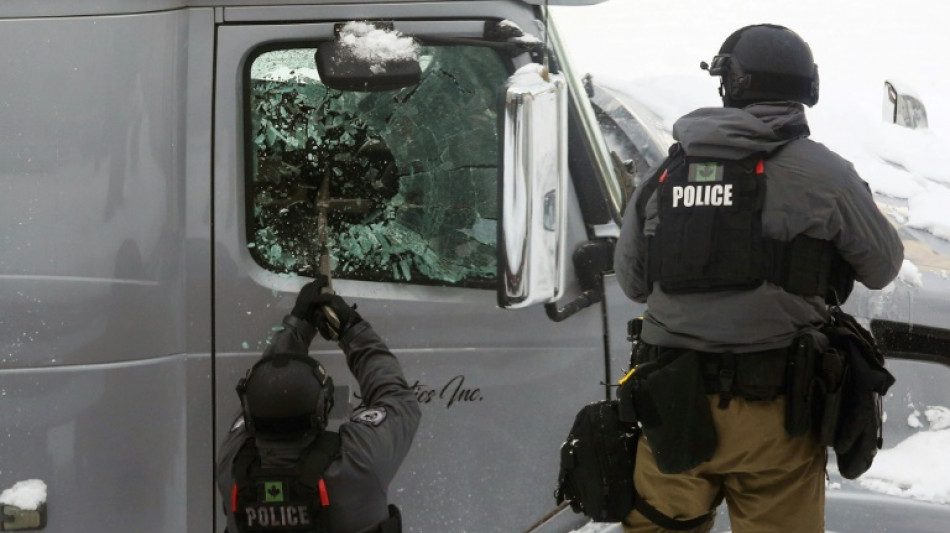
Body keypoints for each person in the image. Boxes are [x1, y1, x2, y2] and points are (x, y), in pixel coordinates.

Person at [613, 24, 903, 533]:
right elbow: (883, 267)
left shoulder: (664, 176)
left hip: (671, 410)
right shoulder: (828, 175)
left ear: (729, 84)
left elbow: (633, 283)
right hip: (777, 414)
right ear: (806, 89)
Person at [215, 276, 421, 533]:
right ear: (322, 411)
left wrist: (297, 325)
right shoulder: (358, 461)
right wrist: (350, 328)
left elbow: (267, 389)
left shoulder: (232, 466)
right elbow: (397, 399)